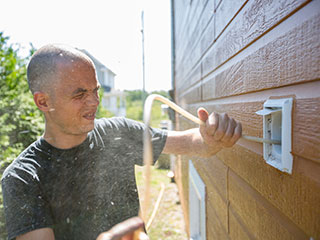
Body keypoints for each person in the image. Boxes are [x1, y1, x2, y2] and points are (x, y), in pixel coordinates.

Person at [1, 44, 242, 240]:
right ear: (43, 102)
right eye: (79, 94)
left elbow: (193, 144)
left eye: (95, 91)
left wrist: (212, 137)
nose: (94, 102)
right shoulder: (23, 178)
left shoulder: (117, 132)